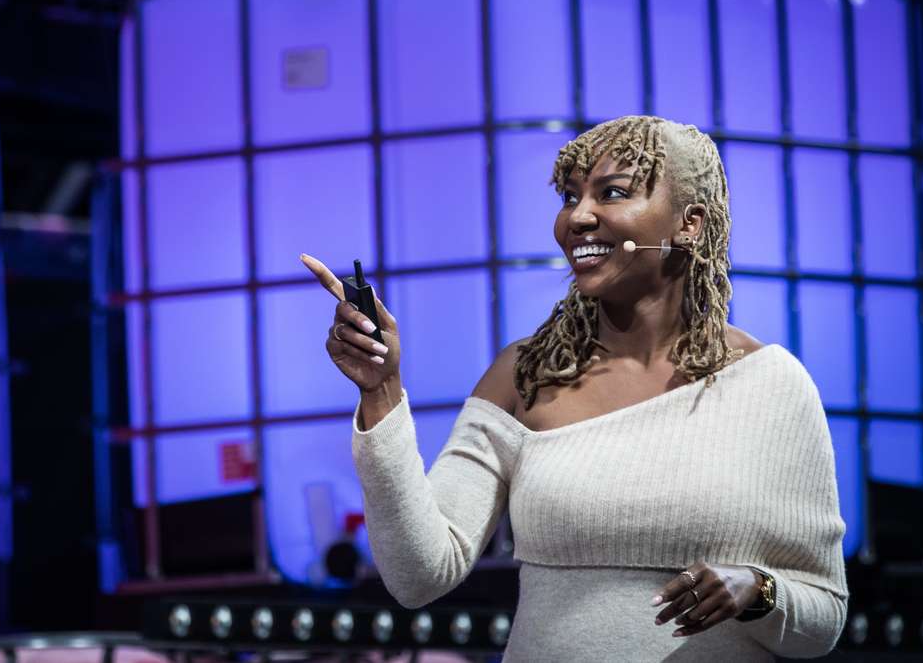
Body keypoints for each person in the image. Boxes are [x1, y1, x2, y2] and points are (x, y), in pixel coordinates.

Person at [299, 115, 848, 660]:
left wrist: (759, 589)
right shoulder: (524, 375)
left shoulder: (771, 384)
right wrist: (382, 391)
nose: (578, 217)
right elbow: (418, 573)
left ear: (690, 225)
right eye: (569, 196)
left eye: (613, 193)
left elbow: (822, 617)